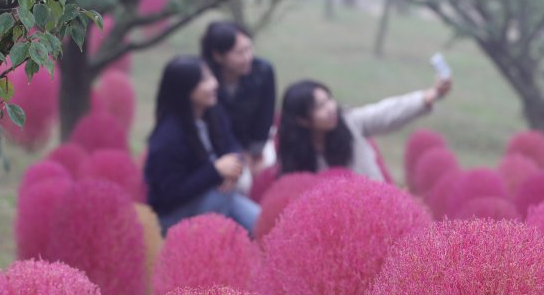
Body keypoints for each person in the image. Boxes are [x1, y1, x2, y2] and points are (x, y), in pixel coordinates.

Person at [144, 55, 260, 234]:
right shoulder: (168, 138)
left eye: (211, 76)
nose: (214, 83)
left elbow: (233, 146)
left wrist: (233, 168)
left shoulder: (213, 113)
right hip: (175, 216)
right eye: (204, 80)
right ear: (185, 89)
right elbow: (171, 194)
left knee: (261, 223)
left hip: (218, 199)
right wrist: (216, 171)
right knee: (222, 197)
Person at [277, 78, 452, 180]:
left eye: (329, 99)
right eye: (320, 106)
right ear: (302, 120)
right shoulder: (295, 155)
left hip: (378, 205)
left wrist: (426, 97)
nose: (330, 108)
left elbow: (386, 113)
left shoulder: (349, 122)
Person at [201, 21, 275, 168]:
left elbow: (265, 114)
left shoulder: (262, 71)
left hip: (251, 141)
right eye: (240, 53)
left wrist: (255, 151)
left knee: (266, 166)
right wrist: (236, 152)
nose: (248, 57)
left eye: (249, 49)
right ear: (218, 56)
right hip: (215, 147)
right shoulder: (203, 79)